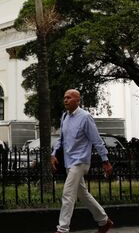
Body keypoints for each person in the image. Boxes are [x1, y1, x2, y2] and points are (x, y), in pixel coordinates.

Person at [51, 89, 114, 233]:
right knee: (83, 194)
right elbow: (60, 139)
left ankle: (62, 229)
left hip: (81, 161)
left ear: (77, 101)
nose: (65, 100)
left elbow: (96, 140)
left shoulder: (85, 117)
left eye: (69, 97)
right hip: (69, 161)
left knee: (68, 193)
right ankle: (104, 221)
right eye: (64, 97)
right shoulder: (64, 117)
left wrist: (105, 160)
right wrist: (54, 154)